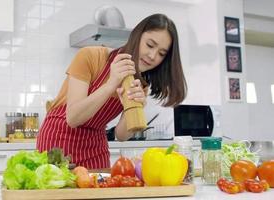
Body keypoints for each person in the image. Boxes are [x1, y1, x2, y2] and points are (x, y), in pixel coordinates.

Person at [37, 13, 187, 169]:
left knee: (100, 191)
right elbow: (73, 118)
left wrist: (138, 107)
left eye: (162, 54)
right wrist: (110, 85)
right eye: (150, 45)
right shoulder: (90, 56)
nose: (152, 56)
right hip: (58, 141)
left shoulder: (140, 84)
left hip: (94, 147)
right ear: (137, 36)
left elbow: (121, 135)